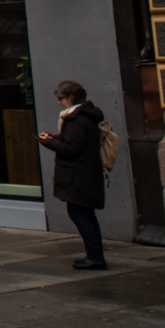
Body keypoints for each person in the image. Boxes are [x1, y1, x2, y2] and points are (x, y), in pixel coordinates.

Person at [39, 79, 107, 270]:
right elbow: (76, 141)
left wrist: (48, 143)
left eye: (61, 98)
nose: (59, 103)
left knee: (78, 213)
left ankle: (95, 256)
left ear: (70, 98)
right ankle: (95, 254)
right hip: (86, 172)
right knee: (86, 214)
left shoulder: (76, 119)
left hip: (78, 173)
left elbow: (70, 148)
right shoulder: (87, 116)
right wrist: (56, 137)